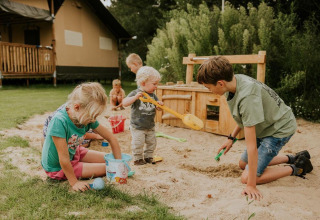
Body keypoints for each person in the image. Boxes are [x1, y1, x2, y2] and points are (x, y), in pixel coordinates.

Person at [196, 56, 313, 201]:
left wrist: (251, 185)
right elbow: (243, 117)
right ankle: (293, 158)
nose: (209, 90)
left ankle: (298, 167)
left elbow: (251, 147)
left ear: (220, 83)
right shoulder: (233, 81)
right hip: (264, 125)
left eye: (208, 87)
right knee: (243, 164)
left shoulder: (247, 97)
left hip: (278, 129)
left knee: (246, 177)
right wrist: (231, 138)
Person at [41, 82, 122, 192]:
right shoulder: (59, 121)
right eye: (92, 116)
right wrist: (74, 182)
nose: (93, 120)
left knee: (110, 159)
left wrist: (119, 163)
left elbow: (111, 138)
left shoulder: (86, 116)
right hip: (59, 167)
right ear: (77, 107)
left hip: (74, 151)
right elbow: (63, 159)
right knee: (108, 168)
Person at [122, 66, 163, 165]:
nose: (156, 86)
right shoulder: (136, 93)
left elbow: (157, 107)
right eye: (154, 84)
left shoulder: (153, 95)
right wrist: (135, 98)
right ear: (143, 83)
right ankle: (138, 158)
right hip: (137, 126)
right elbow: (124, 103)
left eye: (157, 84)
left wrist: (159, 106)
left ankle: (149, 157)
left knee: (152, 143)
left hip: (150, 126)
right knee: (138, 143)